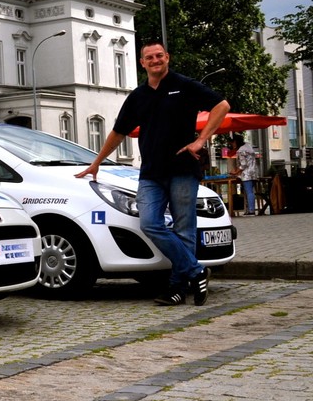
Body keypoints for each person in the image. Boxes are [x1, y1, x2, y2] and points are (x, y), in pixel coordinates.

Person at [76, 40, 230, 306]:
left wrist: (200, 140)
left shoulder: (185, 85)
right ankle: (196, 270)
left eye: (159, 55)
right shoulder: (138, 96)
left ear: (167, 57)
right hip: (150, 173)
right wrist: (97, 161)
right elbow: (119, 131)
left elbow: (222, 106)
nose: (155, 60)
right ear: (142, 63)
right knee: (150, 224)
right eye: (150, 57)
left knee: (184, 230)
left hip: (183, 169)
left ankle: (176, 289)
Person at [231, 134, 258, 215]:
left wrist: (235, 172)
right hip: (254, 172)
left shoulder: (241, 150)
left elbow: (243, 164)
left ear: (235, 142)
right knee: (250, 191)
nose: (232, 145)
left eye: (232, 143)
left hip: (246, 174)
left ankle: (251, 210)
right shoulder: (249, 147)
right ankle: (249, 209)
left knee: (249, 192)